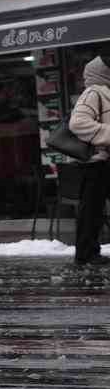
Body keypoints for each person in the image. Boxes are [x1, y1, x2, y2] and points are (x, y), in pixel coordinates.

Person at [67, 56, 110, 266]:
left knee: (92, 209)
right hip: (98, 162)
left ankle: (88, 252)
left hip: (104, 161)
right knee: (91, 210)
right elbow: (78, 123)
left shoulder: (106, 92)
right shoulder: (94, 92)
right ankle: (85, 254)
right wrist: (106, 134)